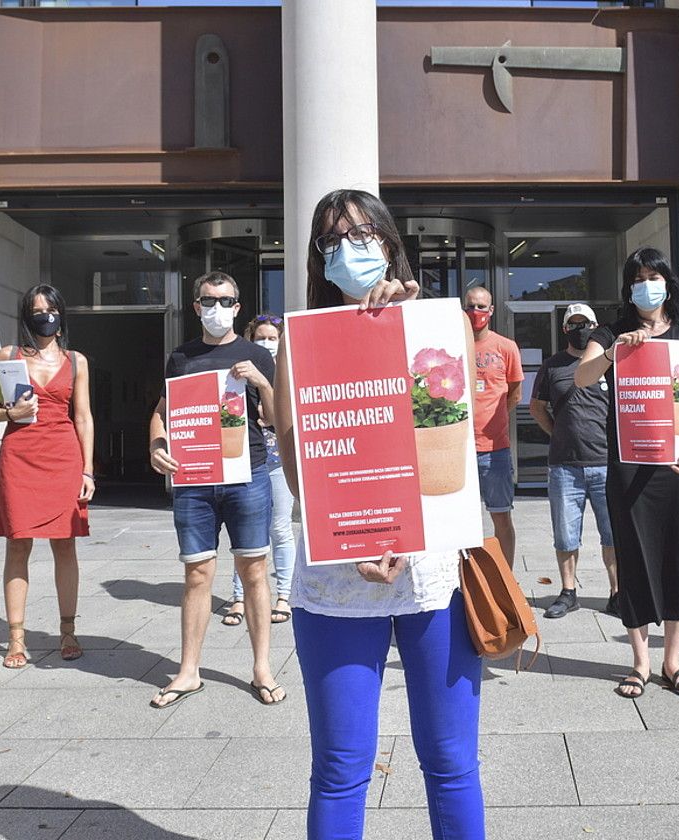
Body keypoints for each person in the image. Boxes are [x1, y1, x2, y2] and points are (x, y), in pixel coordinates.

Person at [275, 188, 483, 840]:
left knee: (451, 763)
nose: (348, 251)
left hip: (432, 575)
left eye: (362, 235)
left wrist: (411, 319)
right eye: (332, 241)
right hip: (338, 579)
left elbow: (456, 422)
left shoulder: (436, 323)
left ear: (390, 243)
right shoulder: (301, 337)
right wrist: (353, 533)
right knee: (340, 768)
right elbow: (294, 451)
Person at [574, 247, 679, 700]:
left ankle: (673, 661)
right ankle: (639, 662)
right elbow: (582, 377)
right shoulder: (611, 331)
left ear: (668, 283)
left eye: (653, 276)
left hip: (677, 463)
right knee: (633, 556)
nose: (645, 285)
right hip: (630, 463)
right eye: (637, 278)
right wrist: (613, 353)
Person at [148, 271, 282, 708]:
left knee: (255, 572)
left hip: (248, 475)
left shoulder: (257, 356)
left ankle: (262, 666)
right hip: (195, 481)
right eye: (209, 300)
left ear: (237, 307)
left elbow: (279, 418)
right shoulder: (180, 358)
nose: (217, 308)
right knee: (197, 574)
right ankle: (189, 670)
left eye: (226, 301)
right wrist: (157, 445)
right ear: (196, 306)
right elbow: (162, 412)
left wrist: (261, 383)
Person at [0, 284, 95, 669]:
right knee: (17, 546)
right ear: (26, 316)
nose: (44, 316)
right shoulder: (8, 357)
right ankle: (16, 638)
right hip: (20, 456)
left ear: (60, 317)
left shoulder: (77, 361)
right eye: (35, 310)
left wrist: (87, 469)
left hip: (63, 457)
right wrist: (9, 413)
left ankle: (68, 630)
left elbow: (83, 417)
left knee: (65, 545)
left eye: (50, 309)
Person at [529, 303, 618, 618]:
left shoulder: (609, 364)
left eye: (585, 324)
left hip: (607, 463)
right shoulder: (552, 366)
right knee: (566, 535)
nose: (579, 329)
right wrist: (556, 433)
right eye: (573, 324)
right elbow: (537, 406)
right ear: (565, 329)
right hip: (565, 466)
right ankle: (568, 593)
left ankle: (617, 593)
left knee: (613, 533)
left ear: (595, 326)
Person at [222, 313, 295, 628]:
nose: (266, 343)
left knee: (280, 529)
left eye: (272, 338)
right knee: (245, 534)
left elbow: (283, 418)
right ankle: (238, 597)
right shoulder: (239, 373)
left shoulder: (290, 374)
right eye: (260, 338)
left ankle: (284, 596)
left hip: (279, 459)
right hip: (246, 458)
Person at [465, 285, 523, 567]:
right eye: (470, 306)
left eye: (480, 306)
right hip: (459, 451)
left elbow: (515, 392)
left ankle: (505, 577)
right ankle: (465, 579)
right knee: (461, 523)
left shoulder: (506, 347)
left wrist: (496, 414)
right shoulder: (452, 343)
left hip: (495, 450)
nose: (475, 311)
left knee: (501, 517)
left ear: (491, 310)